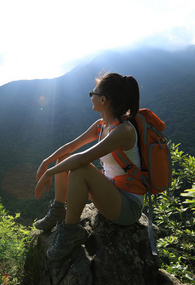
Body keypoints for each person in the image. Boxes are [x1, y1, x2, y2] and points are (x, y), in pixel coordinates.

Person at [34, 72, 144, 261]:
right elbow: (71, 147)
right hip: (111, 193)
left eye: (93, 92)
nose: (91, 95)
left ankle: (70, 233)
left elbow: (83, 158)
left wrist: (49, 173)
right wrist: (47, 161)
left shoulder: (123, 131)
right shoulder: (101, 126)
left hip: (127, 206)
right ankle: (59, 210)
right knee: (64, 159)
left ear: (102, 99)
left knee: (80, 169)